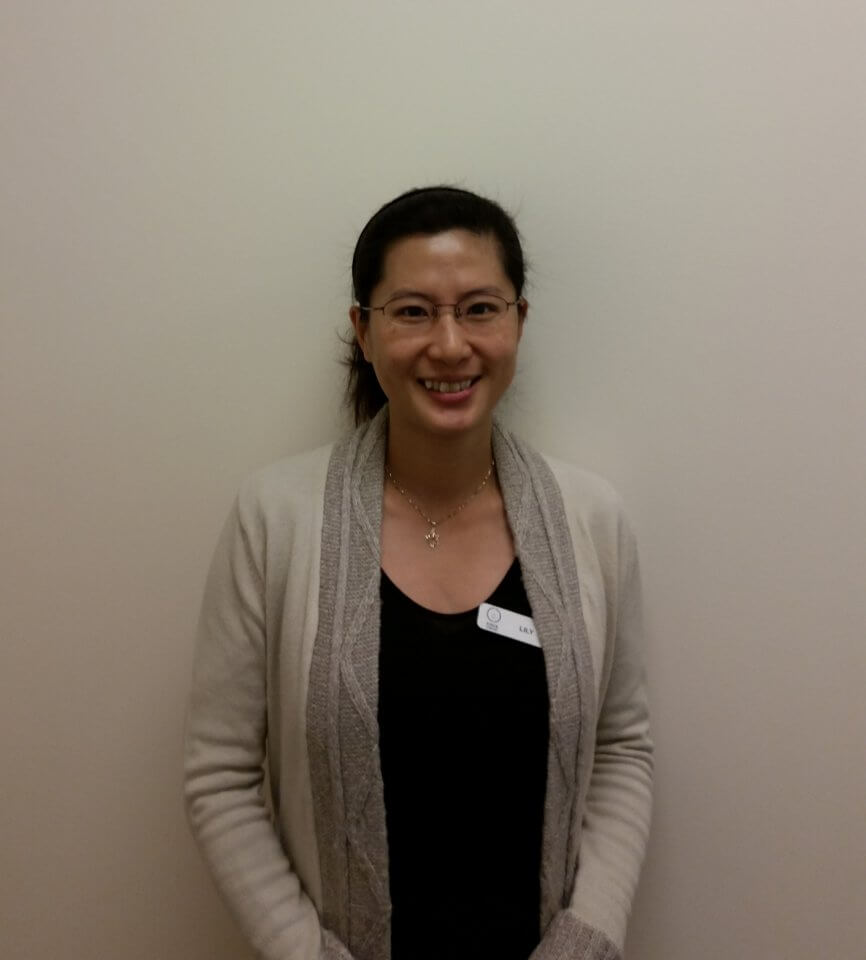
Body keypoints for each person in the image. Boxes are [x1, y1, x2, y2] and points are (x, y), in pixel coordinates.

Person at [184, 186, 653, 960]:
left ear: (519, 323)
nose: (449, 344)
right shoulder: (274, 518)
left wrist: (586, 939)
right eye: (412, 312)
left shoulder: (593, 520)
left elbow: (622, 748)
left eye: (479, 308)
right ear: (363, 332)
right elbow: (220, 777)